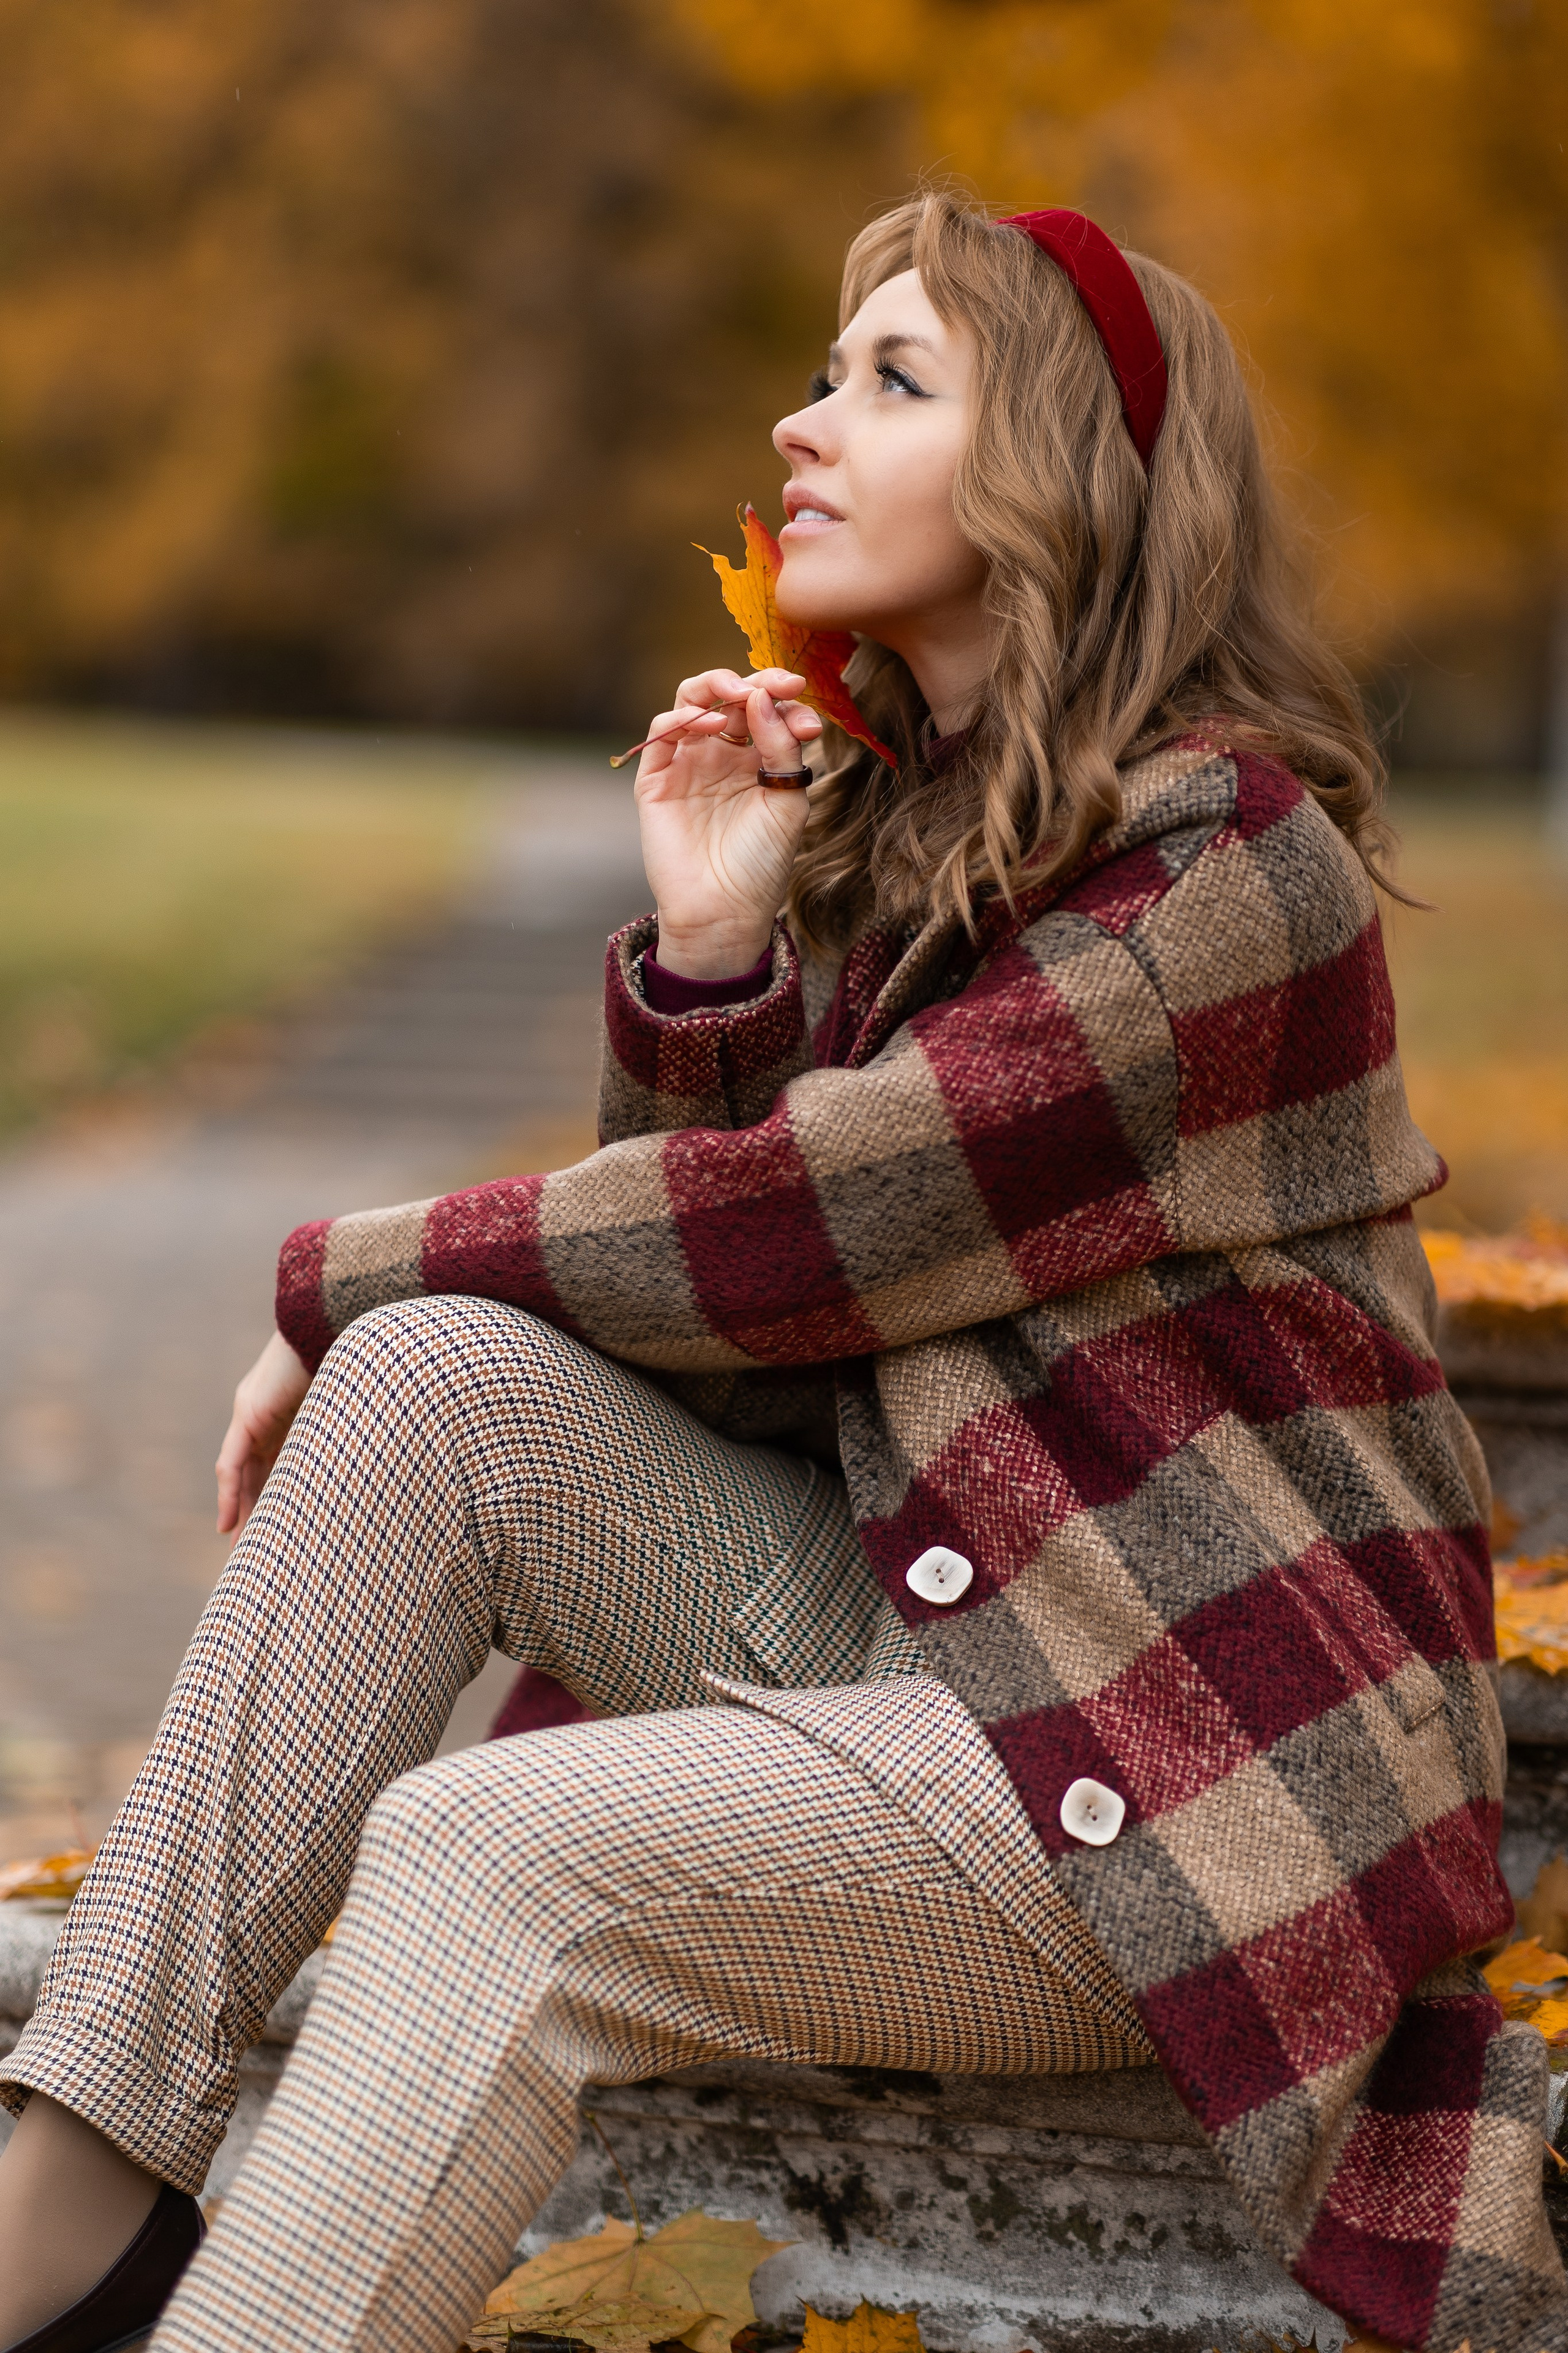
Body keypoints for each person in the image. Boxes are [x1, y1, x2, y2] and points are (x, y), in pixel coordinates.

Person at [0, 189, 1555, 2353]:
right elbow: (735, 1343)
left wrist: (328, 1266)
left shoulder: (1233, 867)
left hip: (1188, 1748)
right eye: (826, 372)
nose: (802, 425)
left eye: (892, 382)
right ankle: (60, 2216)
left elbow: (819, 1214)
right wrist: (721, 950)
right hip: (947, 1627)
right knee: (438, 1380)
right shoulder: (915, 847)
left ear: (1068, 482)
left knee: (492, 1847)